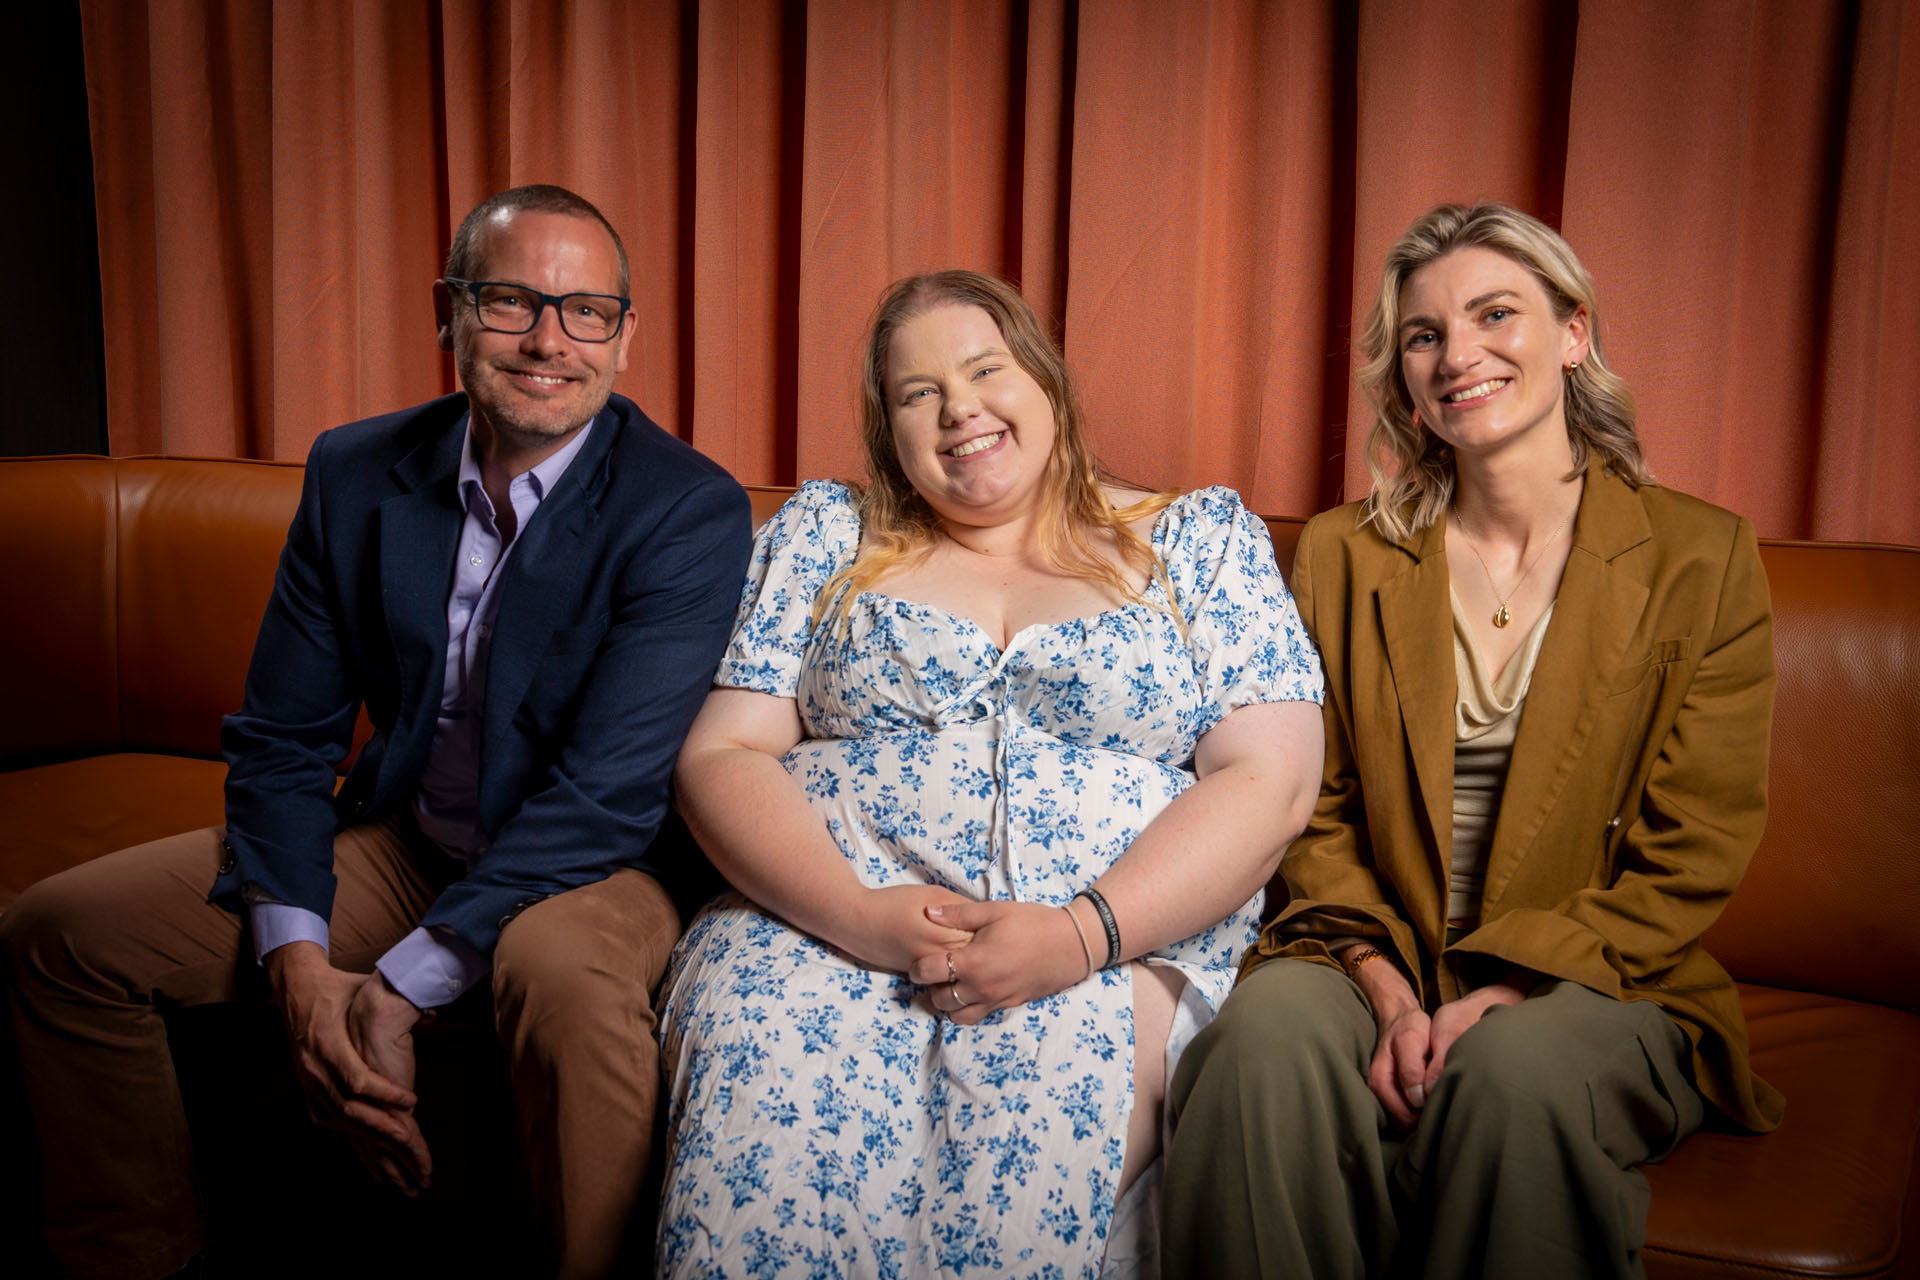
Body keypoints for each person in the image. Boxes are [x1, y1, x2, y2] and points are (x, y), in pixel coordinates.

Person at [0, 184, 751, 1279]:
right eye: (511, 301)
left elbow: (604, 798)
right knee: (62, 934)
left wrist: (396, 991)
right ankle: (139, 1253)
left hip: (596, 866)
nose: (550, 341)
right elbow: (283, 737)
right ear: (448, 312)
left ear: (625, 337)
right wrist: (300, 968)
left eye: (586, 311)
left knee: (564, 983)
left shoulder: (685, 508)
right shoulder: (355, 471)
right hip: (413, 840)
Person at [655, 269, 1325, 1278]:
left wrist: (1082, 932)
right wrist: (856, 913)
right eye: (918, 392)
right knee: (767, 1150)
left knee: (1012, 1203)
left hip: (1110, 949)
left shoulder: (1198, 541)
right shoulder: (827, 536)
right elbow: (722, 753)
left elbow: (1271, 782)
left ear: (1046, 382)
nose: (958, 408)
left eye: (984, 370)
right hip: (814, 929)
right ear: (888, 428)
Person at [1160, 202, 1783, 1280]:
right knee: (1254, 1048)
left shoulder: (1704, 557)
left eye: (1496, 315)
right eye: (1425, 334)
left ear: (1573, 333)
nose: (1459, 355)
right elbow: (1314, 808)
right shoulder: (1341, 556)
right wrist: (1391, 991)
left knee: (1511, 1077)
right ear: (1403, 373)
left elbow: (1695, 846)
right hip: (1370, 952)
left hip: (1601, 979)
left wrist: (1505, 994)